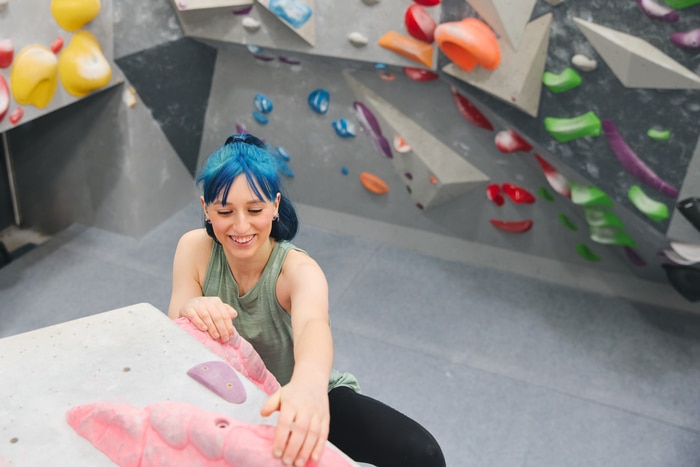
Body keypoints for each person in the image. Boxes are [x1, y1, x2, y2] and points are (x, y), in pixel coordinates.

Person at [168, 133, 446, 467]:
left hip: (300, 395)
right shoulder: (194, 248)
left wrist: (309, 385)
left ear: (274, 206)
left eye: (254, 209)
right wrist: (190, 309)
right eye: (225, 211)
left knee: (421, 454)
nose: (241, 226)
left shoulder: (297, 270)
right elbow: (173, 331)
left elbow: (313, 324)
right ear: (206, 209)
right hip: (227, 397)